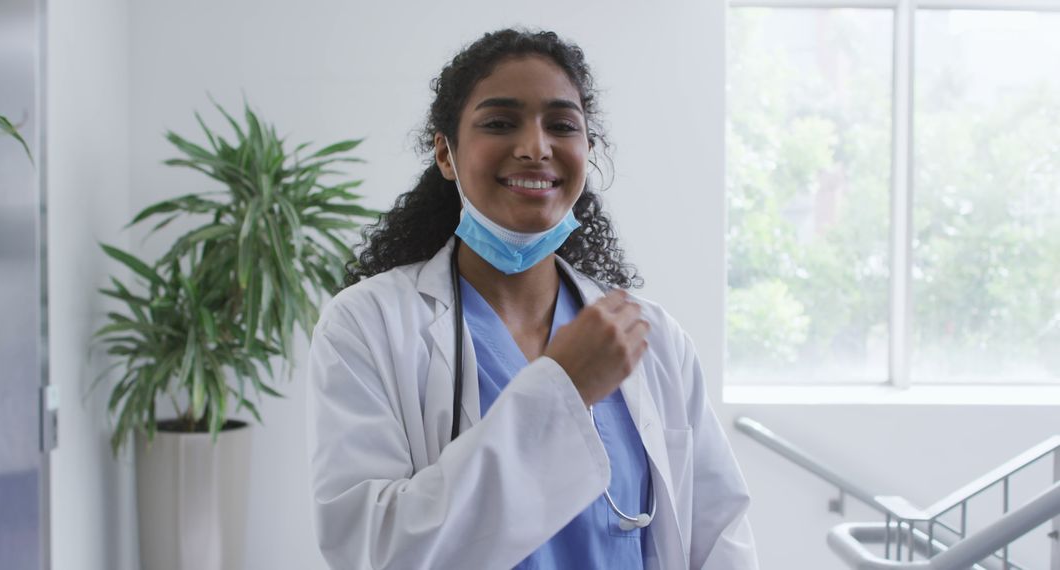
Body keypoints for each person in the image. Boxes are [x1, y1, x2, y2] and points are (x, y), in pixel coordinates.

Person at [306, 29, 758, 570]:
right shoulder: (367, 324)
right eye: (500, 123)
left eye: (562, 125)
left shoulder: (652, 338)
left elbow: (721, 538)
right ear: (445, 154)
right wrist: (562, 387)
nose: (535, 148)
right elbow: (374, 550)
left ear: (587, 150)